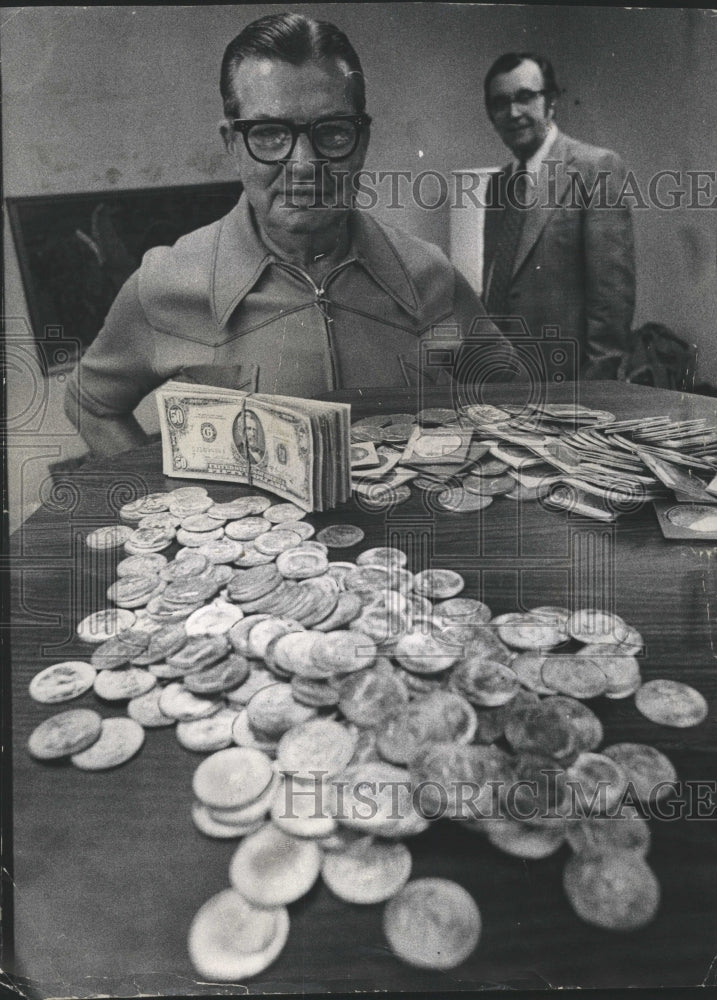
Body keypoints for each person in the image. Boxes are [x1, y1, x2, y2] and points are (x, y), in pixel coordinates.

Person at [65, 12, 511, 457]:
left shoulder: (429, 273)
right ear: (231, 145)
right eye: (269, 133)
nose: (302, 165)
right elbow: (91, 404)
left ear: (362, 140)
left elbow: (517, 394)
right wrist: (167, 504)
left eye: (333, 132)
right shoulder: (165, 282)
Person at [482, 52, 635, 379]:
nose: (513, 112)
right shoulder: (498, 184)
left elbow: (610, 309)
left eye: (525, 97)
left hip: (568, 389)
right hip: (503, 384)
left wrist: (591, 397)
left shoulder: (596, 168)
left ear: (550, 102)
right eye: (500, 103)